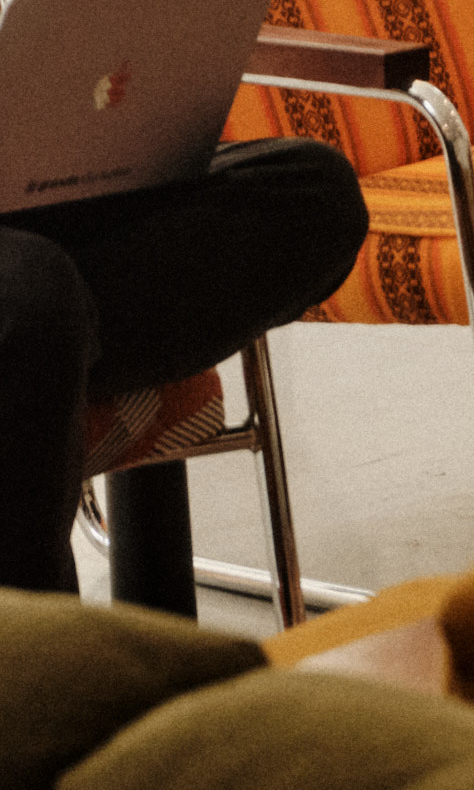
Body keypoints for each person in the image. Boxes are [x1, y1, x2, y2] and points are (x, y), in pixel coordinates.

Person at [0, 135, 367, 602]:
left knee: (315, 191)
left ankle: (56, 336)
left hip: (51, 198)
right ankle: (37, 639)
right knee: (35, 294)